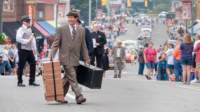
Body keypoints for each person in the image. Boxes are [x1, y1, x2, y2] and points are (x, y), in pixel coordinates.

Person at [51, 11, 90, 104]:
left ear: (76, 18)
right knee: (72, 76)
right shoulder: (61, 29)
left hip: (75, 58)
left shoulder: (81, 30)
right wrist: (51, 57)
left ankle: (59, 96)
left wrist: (86, 58)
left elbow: (83, 45)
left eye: (72, 17)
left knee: (67, 78)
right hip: (65, 58)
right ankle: (79, 96)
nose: (70, 19)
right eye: (69, 18)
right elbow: (55, 43)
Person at [16, 16, 39, 87]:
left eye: (29, 21)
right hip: (22, 50)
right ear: (24, 22)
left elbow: (33, 41)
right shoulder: (21, 29)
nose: (29, 22)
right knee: (21, 66)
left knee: (33, 64)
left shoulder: (30, 29)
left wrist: (35, 50)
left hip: (29, 50)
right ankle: (19, 82)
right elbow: (18, 39)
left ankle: (31, 81)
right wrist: (27, 41)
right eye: (28, 21)